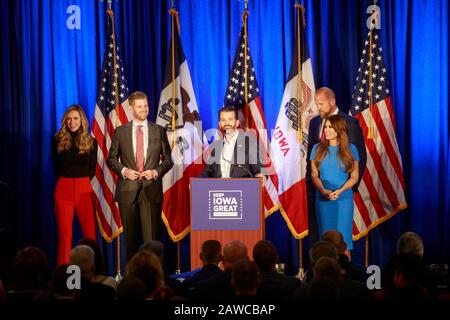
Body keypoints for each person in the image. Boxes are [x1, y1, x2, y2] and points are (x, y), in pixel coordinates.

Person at [107, 91, 173, 262]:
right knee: (130, 242)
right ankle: (131, 280)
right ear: (131, 108)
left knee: (152, 241)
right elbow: (111, 158)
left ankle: (154, 279)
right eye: (140, 106)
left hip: (151, 190)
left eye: (146, 106)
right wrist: (124, 171)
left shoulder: (159, 130)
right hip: (127, 192)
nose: (144, 109)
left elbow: (168, 160)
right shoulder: (120, 131)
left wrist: (155, 172)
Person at [307, 87, 366, 243]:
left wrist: (347, 188)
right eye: (316, 104)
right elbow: (313, 160)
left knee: (342, 241)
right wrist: (319, 187)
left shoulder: (350, 122)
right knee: (322, 239)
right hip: (320, 192)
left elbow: (360, 157)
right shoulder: (314, 122)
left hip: (343, 194)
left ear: (332, 102)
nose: (317, 108)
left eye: (321, 104)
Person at [52, 105, 97, 265]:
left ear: (82, 120)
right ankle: (64, 275)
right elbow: (56, 167)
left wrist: (80, 182)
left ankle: (93, 272)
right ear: (65, 120)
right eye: (69, 119)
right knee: (65, 236)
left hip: (84, 189)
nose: (72, 122)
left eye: (75, 118)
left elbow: (92, 171)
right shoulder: (57, 139)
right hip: (63, 190)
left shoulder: (92, 142)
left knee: (90, 234)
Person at [309, 114, 360, 251]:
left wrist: (341, 190)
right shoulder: (317, 149)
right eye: (325, 127)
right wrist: (323, 191)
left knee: (344, 244)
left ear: (339, 129)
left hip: (344, 200)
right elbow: (314, 175)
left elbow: (354, 177)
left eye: (330, 127)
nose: (326, 130)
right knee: (325, 244)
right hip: (323, 200)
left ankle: (345, 270)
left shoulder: (351, 149)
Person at [201, 106, 266, 180]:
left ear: (237, 123)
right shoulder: (216, 146)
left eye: (230, 119)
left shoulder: (250, 144)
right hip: (218, 189)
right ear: (219, 124)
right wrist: (196, 184)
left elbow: (260, 168)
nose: (226, 123)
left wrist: (261, 175)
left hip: (243, 189)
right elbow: (208, 171)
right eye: (223, 120)